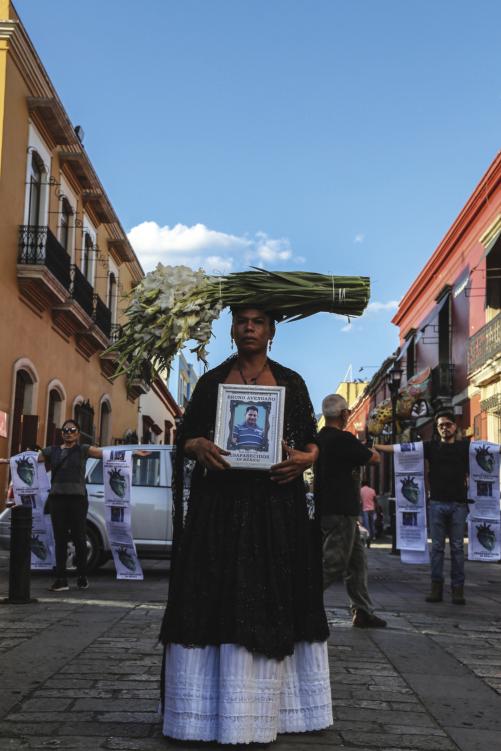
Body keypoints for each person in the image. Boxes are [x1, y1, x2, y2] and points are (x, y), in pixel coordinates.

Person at [159, 306, 332, 745]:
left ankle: (273, 710)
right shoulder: (211, 382)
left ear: (272, 330)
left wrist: (308, 458)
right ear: (232, 329)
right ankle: (204, 714)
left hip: (274, 510)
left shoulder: (291, 383)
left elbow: (310, 443)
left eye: (258, 321)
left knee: (270, 590)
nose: (249, 328)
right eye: (242, 321)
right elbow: (184, 439)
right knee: (216, 589)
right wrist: (196, 444)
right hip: (218, 509)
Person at [376, 411, 472, 605]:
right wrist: (377, 446)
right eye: (441, 425)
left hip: (459, 504)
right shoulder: (430, 447)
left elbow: (489, 450)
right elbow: (402, 448)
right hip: (436, 503)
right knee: (436, 548)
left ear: (455, 426)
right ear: (437, 429)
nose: (445, 428)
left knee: (457, 549)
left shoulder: (465, 446)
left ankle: (457, 590)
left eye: (448, 424)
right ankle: (436, 588)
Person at [1, 420, 102, 592]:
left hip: (77, 500)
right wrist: (7, 460)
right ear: (62, 433)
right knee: (60, 540)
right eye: (65, 430)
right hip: (57, 500)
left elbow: (106, 454)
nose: (68, 433)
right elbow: (30, 459)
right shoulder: (52, 451)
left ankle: (82, 575)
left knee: (79, 538)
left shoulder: (83, 449)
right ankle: (61, 580)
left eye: (72, 430)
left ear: (77, 433)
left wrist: (134, 453)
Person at [316, 394, 387, 628]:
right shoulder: (342, 439)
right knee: (333, 562)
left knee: (357, 561)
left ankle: (363, 610)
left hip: (332, 506)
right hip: (341, 509)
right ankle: (299, 603)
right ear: (345, 414)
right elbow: (374, 458)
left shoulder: (319, 438)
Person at [360, 480, 377, 545]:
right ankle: (373, 536)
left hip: (364, 509)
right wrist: (376, 508)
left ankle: (367, 537)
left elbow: (359, 501)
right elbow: (375, 500)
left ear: (362, 484)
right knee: (372, 523)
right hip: (372, 509)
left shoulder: (360, 490)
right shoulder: (372, 490)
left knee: (366, 524)